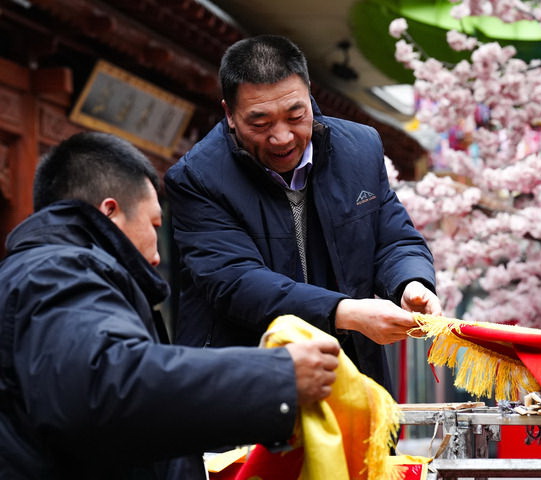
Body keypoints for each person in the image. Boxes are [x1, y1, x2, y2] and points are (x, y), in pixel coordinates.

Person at [0, 131, 340, 479]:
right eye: (154, 225)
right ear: (111, 212)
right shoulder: (54, 271)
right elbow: (107, 387)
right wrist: (276, 377)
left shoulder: (50, 272)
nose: (157, 256)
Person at [164, 34, 442, 393]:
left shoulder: (360, 149)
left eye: (295, 116)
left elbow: (393, 239)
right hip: (245, 383)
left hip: (352, 377)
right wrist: (345, 312)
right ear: (229, 114)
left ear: (309, 95)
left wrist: (411, 283)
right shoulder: (197, 177)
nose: (282, 137)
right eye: (260, 124)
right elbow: (236, 282)